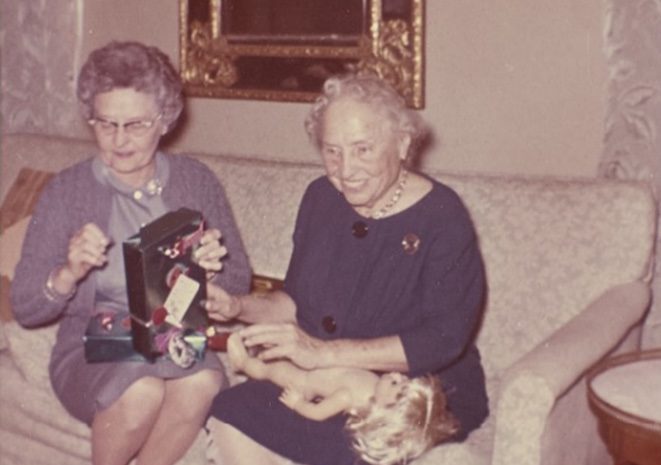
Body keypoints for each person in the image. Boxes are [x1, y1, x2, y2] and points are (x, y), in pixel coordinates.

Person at [204, 73, 489, 465]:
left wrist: (323, 354)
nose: (345, 169)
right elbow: (297, 302)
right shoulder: (320, 198)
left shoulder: (443, 216)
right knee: (231, 412)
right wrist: (238, 307)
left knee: (352, 447)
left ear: (403, 143)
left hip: (412, 391)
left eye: (363, 149)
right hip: (327, 379)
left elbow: (442, 340)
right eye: (332, 151)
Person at [11, 41, 251, 465]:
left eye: (136, 125)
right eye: (106, 124)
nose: (119, 140)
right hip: (92, 344)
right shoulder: (67, 191)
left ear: (165, 121)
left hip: (172, 333)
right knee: (141, 388)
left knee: (202, 383)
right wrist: (68, 272)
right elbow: (26, 307)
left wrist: (210, 277)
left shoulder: (196, 182)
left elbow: (237, 284)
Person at [226, 331, 458, 465]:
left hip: (304, 381)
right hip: (316, 365)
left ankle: (243, 363)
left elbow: (319, 412)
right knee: (277, 357)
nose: (397, 374)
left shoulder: (351, 397)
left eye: (396, 384)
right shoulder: (375, 384)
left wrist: (298, 403)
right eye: (402, 380)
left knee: (271, 371)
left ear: (385, 407)